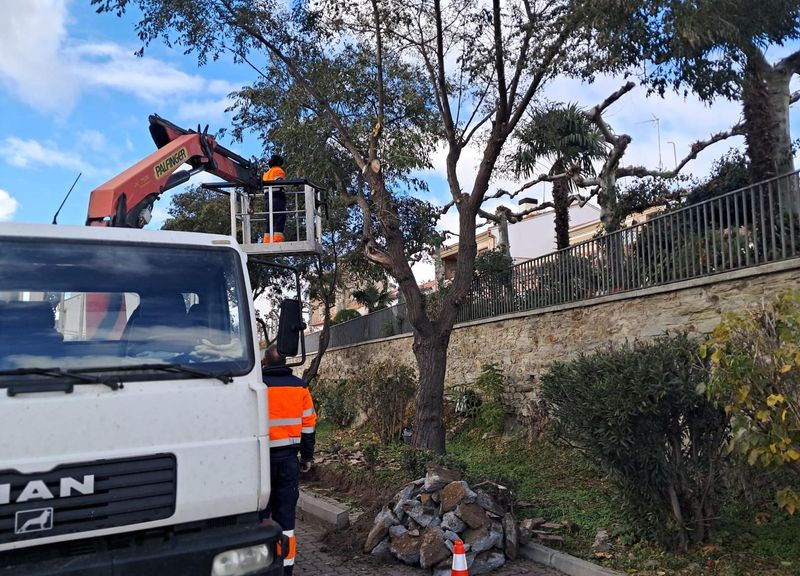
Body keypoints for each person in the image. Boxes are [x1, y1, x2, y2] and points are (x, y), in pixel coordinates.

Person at [261, 344, 316, 575]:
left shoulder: (257, 387)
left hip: (259, 463)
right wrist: (307, 456)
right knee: (286, 518)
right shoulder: (300, 388)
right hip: (288, 462)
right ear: (285, 363)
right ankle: (286, 568)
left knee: (259, 518)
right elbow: (309, 426)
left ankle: (262, 564)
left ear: (264, 362)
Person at [262, 154, 286, 243]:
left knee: (269, 219)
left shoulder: (266, 173)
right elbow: (280, 183)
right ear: (279, 163)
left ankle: (266, 239)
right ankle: (277, 239)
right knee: (280, 217)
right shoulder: (279, 171)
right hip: (277, 197)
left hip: (267, 199)